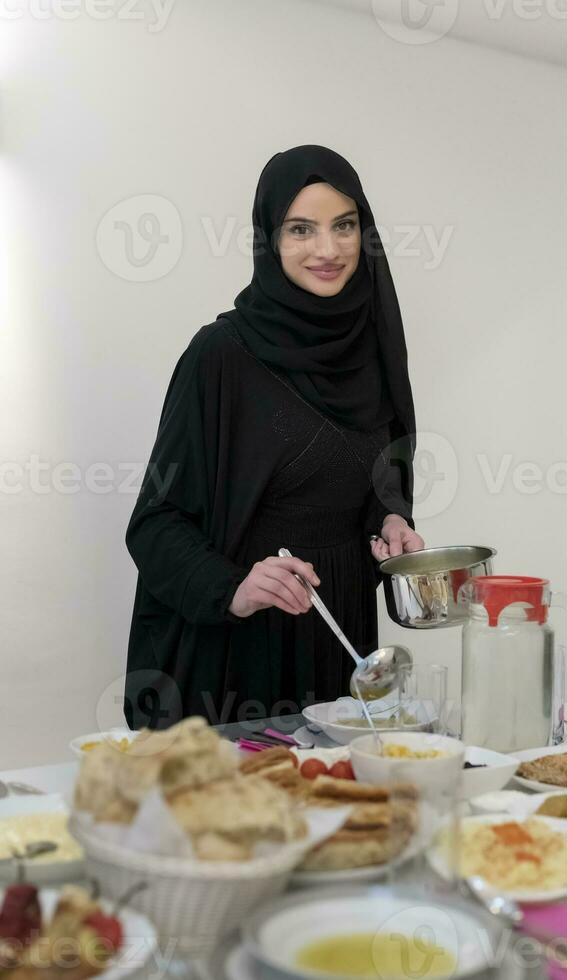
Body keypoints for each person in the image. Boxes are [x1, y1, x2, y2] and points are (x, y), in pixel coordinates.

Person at [124, 144, 424, 730]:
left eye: (344, 225)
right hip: (240, 652)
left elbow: (378, 472)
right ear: (269, 238)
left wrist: (389, 519)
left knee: (345, 814)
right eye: (300, 229)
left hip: (342, 642)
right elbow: (154, 523)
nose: (328, 249)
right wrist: (234, 586)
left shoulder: (372, 346)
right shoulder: (221, 356)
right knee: (248, 816)